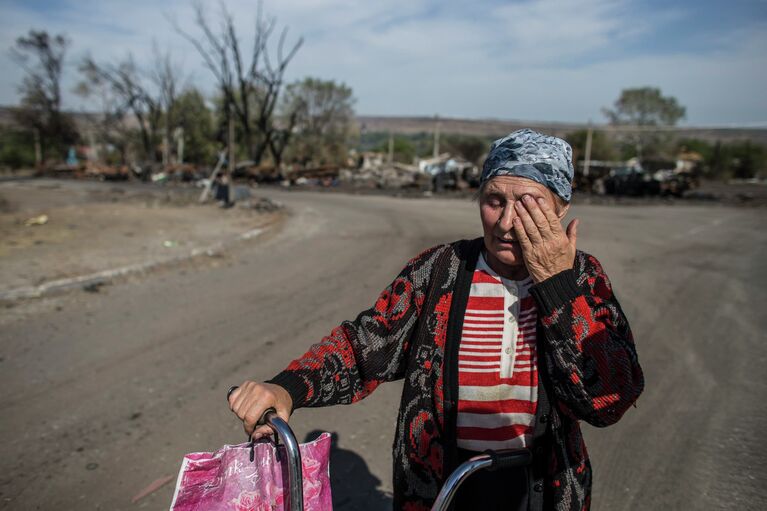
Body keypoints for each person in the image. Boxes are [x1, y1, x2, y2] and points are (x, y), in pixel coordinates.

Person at [227, 129, 644, 510]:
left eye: (529, 206)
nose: (505, 223)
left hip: (541, 491)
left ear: (561, 208)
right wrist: (286, 388)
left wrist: (556, 285)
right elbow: (365, 348)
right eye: (494, 200)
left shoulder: (584, 279)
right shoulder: (441, 269)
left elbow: (609, 400)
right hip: (444, 489)